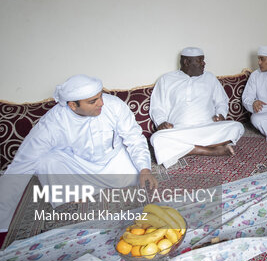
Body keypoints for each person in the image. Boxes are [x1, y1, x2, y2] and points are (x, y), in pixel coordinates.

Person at [0, 74, 157, 232]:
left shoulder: (113, 105)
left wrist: (144, 168)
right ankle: (70, 200)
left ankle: (90, 191)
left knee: (137, 173)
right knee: (45, 161)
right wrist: (2, 225)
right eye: (92, 101)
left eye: (100, 96)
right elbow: (21, 165)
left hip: (114, 164)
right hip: (79, 168)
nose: (101, 103)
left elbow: (134, 137)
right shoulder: (53, 123)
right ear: (72, 105)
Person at [149, 47, 244, 168]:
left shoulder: (210, 78)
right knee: (156, 139)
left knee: (237, 127)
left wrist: (221, 115)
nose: (204, 63)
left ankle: (183, 149)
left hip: (209, 127)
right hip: (180, 130)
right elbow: (157, 106)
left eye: (203, 60)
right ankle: (211, 150)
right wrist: (161, 122)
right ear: (186, 62)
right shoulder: (166, 79)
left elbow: (221, 101)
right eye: (200, 60)